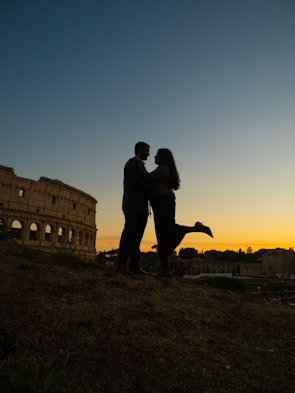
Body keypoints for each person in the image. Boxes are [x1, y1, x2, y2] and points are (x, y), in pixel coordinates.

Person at [137, 148, 213, 277]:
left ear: (163, 157)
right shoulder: (165, 169)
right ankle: (166, 270)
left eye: (157, 156)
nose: (154, 157)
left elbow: (147, 177)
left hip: (163, 202)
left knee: (165, 231)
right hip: (162, 202)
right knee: (163, 234)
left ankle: (196, 228)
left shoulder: (163, 168)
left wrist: (139, 163)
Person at [117, 141, 153, 275]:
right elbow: (136, 182)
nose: (149, 153)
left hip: (141, 207)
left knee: (137, 236)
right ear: (139, 150)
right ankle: (121, 264)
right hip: (132, 205)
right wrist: (154, 189)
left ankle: (133, 266)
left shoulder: (139, 166)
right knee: (129, 234)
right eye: (147, 150)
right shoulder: (131, 164)